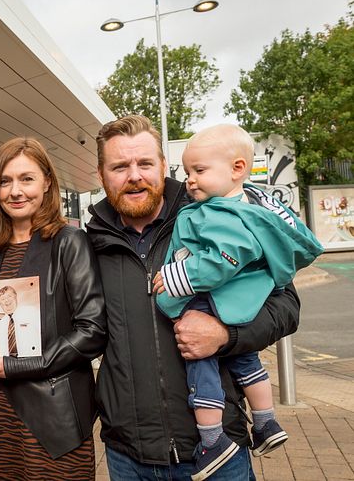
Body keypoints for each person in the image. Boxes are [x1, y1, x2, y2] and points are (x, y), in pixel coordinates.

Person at [86, 115, 301, 481]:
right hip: (127, 456)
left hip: (221, 453)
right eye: (120, 166)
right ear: (102, 174)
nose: (134, 175)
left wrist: (225, 335)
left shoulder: (213, 215)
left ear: (163, 166)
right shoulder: (90, 244)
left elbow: (286, 307)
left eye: (145, 163)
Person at [152, 124, 323, 480]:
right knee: (247, 361)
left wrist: (176, 277)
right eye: (186, 172)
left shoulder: (218, 211)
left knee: (198, 360)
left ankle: (212, 440)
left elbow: (227, 257)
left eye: (199, 171)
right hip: (237, 302)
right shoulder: (247, 208)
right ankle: (266, 421)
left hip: (212, 301)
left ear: (238, 168)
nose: (190, 180)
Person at [0, 137, 107, 481]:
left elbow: (93, 330)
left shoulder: (70, 242)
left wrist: (19, 365)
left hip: (52, 420)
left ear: (47, 183)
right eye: (5, 181)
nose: (15, 191)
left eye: (26, 179)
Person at [0, 285, 41, 357]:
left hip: (32, 361)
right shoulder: (1, 324)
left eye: (9, 296)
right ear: (0, 303)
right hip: (9, 364)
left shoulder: (31, 311)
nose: (6, 300)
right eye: (3, 299)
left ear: (15, 297)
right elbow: (1, 349)